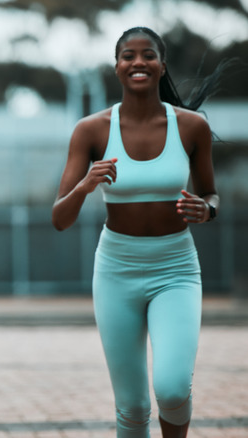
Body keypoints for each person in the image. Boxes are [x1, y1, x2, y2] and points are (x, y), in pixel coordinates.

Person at [52, 27, 227, 437]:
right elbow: (60, 217)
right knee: (131, 406)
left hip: (176, 268)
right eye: (128, 56)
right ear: (116, 68)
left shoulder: (191, 127)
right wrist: (86, 184)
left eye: (148, 55)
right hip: (116, 269)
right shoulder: (91, 130)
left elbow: (212, 195)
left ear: (161, 65)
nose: (138, 63)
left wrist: (208, 210)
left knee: (172, 388)